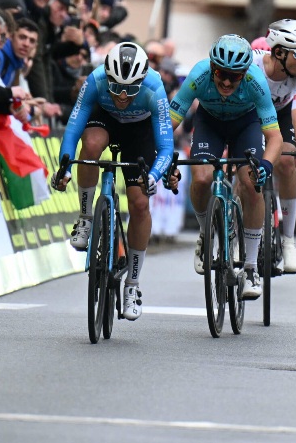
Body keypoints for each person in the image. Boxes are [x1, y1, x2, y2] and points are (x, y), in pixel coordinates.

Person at [52, 43, 174, 321]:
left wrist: (154, 176)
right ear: (107, 76)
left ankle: (132, 284)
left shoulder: (154, 89)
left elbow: (165, 147)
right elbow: (73, 128)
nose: (121, 94)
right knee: (91, 145)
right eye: (116, 86)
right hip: (103, 119)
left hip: (139, 131)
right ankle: (85, 217)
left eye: (131, 88)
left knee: (140, 203)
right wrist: (65, 167)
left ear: (141, 81)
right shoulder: (95, 80)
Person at [168, 35, 282, 300]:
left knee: (252, 183)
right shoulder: (198, 75)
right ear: (211, 67)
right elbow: (168, 123)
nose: (228, 82)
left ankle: (251, 267)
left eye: (235, 76)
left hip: (247, 124)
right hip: (210, 123)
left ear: (244, 73)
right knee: (201, 177)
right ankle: (205, 233)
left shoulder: (256, 81)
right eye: (221, 73)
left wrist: (265, 163)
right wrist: (160, 157)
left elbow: (275, 137)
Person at [251, 19, 296, 273]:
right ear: (278, 53)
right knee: (244, 165)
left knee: (288, 160)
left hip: (280, 115)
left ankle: (289, 241)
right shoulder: (253, 64)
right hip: (249, 114)